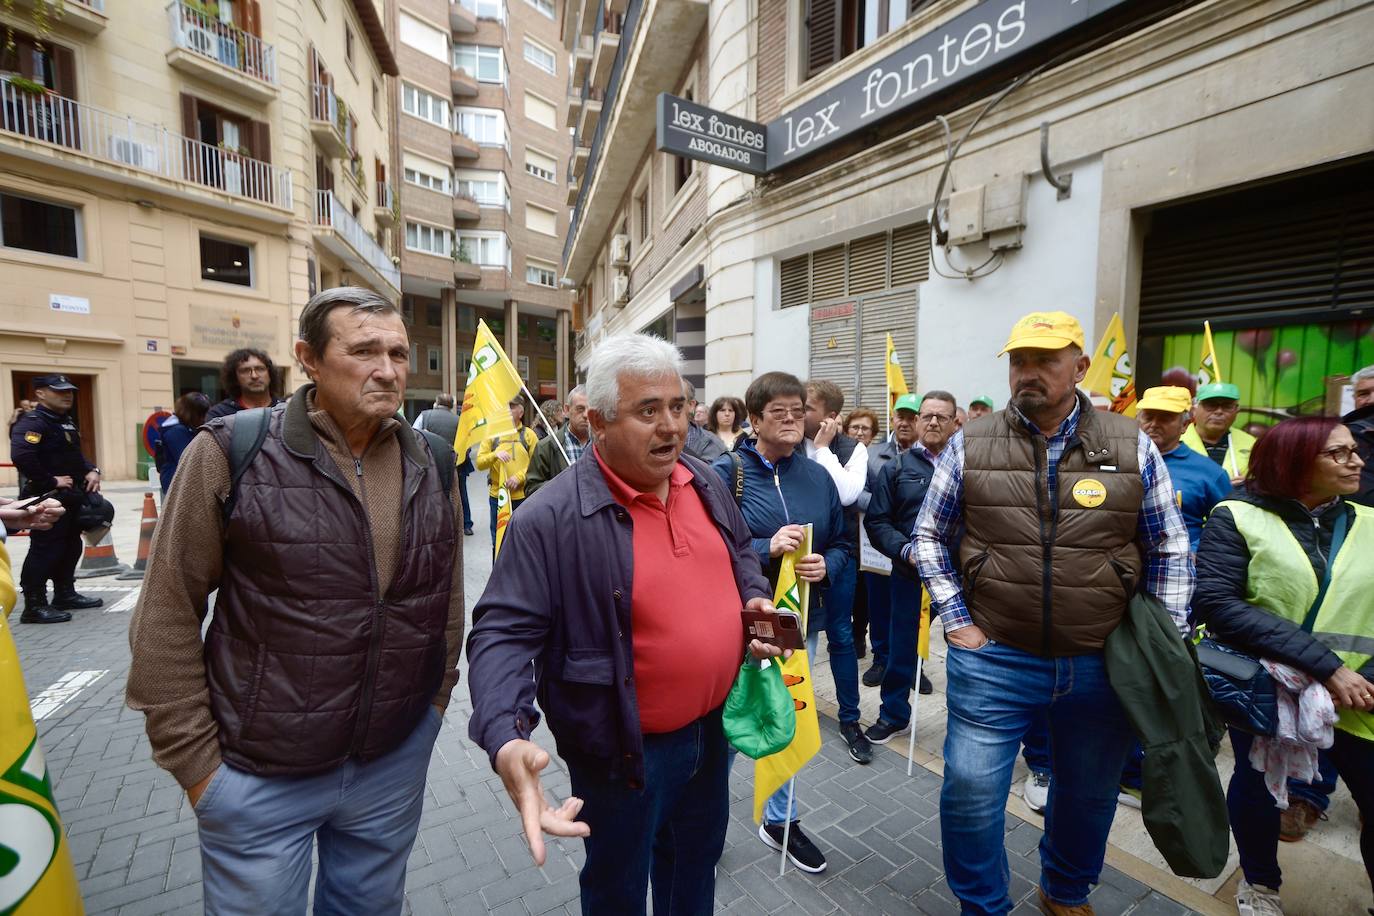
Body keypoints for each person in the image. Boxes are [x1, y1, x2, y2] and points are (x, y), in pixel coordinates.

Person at [126, 287, 464, 915]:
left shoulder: (433, 462)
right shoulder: (232, 450)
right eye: (364, 350)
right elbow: (167, 610)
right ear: (309, 358)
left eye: (397, 352)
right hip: (257, 774)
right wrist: (200, 769)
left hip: (389, 766)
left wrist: (432, 710)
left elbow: (444, 601)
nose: (387, 370)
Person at [467, 333, 783, 915]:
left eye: (677, 407)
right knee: (618, 882)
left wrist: (755, 600)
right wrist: (506, 735)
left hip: (712, 734)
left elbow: (740, 552)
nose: (671, 427)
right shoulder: (549, 518)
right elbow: (501, 633)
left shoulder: (704, 480)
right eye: (647, 411)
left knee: (695, 861)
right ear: (597, 422)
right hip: (622, 749)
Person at [913, 310, 1192, 916]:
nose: (1029, 373)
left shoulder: (1131, 443)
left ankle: (1064, 891)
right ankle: (983, 905)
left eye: (1046, 360)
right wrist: (957, 619)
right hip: (996, 656)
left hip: (1103, 660)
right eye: (1020, 361)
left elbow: (1167, 545)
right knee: (969, 791)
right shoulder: (970, 443)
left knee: (1088, 796)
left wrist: (1162, 640)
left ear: (1080, 367)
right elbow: (930, 537)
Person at [1193, 417, 1373, 916]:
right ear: (1294, 460)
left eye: (1353, 450)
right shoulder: (1237, 516)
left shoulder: (1370, 521)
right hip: (1272, 688)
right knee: (1258, 787)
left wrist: (1360, 679)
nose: (1355, 460)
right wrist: (1327, 669)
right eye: (1337, 453)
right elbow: (1219, 603)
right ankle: (1260, 883)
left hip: (1361, 694)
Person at [712, 371, 851, 871]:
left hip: (795, 627)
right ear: (754, 419)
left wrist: (826, 566)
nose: (793, 419)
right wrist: (762, 549)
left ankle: (781, 820)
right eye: (780, 412)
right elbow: (705, 548)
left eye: (799, 410)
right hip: (739, 625)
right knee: (732, 726)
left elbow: (842, 545)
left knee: (785, 718)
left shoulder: (817, 477)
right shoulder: (724, 473)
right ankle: (704, 823)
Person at [864, 390, 959, 748]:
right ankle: (893, 715)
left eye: (941, 417)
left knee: (964, 651)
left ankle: (965, 724)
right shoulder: (897, 468)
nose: (933, 422)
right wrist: (905, 550)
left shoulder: (968, 465)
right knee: (901, 647)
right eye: (927, 416)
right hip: (910, 575)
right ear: (917, 421)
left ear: (955, 423)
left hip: (959, 578)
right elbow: (877, 522)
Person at [801, 380, 868, 764]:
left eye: (806, 407)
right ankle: (794, 714)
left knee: (841, 637)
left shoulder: (851, 448)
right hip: (799, 562)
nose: (798, 413)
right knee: (799, 637)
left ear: (829, 416)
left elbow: (845, 495)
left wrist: (824, 450)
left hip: (840, 561)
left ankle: (849, 719)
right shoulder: (790, 445)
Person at [9, 374, 105, 624]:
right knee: (45, 550)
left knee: (71, 546)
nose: (67, 395)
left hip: (71, 497)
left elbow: (76, 456)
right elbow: (22, 456)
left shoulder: (65, 422)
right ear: (40, 393)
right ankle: (34, 605)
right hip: (45, 497)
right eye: (59, 391)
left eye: (70, 391)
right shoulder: (33, 422)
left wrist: (92, 470)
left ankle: (65, 593)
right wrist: (52, 481)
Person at [858, 397, 922, 688]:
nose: (906, 422)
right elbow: (857, 494)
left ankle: (913, 666)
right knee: (880, 607)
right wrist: (887, 506)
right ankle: (882, 659)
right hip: (879, 545)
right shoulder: (872, 454)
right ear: (893, 419)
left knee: (917, 612)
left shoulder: (933, 457)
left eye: (912, 417)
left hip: (916, 549)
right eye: (901, 416)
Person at [1136, 386, 1233, 552]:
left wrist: (1196, 552)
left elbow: (1226, 528)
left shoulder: (1210, 472)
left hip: (1178, 567)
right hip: (1124, 567)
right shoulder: (1118, 460)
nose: (1154, 424)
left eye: (1165, 418)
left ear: (1185, 425)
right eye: (1148, 416)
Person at [475, 398, 540, 548]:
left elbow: (536, 464)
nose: (506, 409)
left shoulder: (529, 435)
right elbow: (479, 463)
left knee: (523, 541)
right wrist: (494, 455)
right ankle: (498, 571)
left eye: (511, 406)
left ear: (521, 412)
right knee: (498, 541)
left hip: (523, 497)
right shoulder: (492, 434)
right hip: (498, 497)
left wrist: (519, 477)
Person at [414, 394, 472, 535]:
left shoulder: (425, 415)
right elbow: (467, 445)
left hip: (431, 462)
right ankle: (466, 525)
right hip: (455, 463)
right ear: (451, 405)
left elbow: (414, 435)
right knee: (461, 493)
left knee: (432, 493)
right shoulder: (459, 421)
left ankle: (434, 525)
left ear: (436, 403)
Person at [1183, 381, 1255, 483]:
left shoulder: (1251, 444)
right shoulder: (1176, 441)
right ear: (1194, 410)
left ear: (1236, 411)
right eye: (1211, 405)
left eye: (1227, 406)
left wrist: (1249, 485)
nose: (1219, 411)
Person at [526, 386, 590, 496]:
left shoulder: (605, 444)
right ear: (567, 410)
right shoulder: (546, 447)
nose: (586, 415)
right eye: (580, 409)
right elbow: (531, 489)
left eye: (590, 409)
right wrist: (562, 486)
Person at [154, 392, 211, 495]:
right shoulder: (177, 431)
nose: (203, 419)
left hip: (176, 480)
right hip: (177, 483)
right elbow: (189, 461)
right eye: (200, 415)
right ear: (191, 413)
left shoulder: (178, 427)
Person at [205, 348, 284, 421]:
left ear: (270, 374)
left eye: (260, 369)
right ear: (235, 378)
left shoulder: (287, 411)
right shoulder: (220, 414)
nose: (254, 376)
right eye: (245, 370)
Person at [1344, 364, 1374, 508]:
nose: (1372, 400)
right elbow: (1362, 494)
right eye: (1363, 394)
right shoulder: (1349, 435)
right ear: (1354, 398)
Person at [682, 380, 727, 462]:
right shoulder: (651, 439)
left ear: (691, 405)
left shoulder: (713, 444)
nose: (666, 411)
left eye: (676, 405)